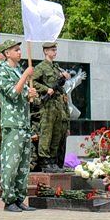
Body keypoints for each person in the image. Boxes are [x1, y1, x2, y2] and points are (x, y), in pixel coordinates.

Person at [0, 39, 36, 212]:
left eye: (19, 49)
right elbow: (12, 93)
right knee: (11, 162)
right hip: (12, 123)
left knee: (24, 164)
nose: (19, 52)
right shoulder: (1, 72)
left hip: (24, 123)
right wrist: (26, 76)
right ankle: (9, 199)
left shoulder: (18, 70)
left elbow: (24, 93)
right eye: (16, 50)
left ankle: (19, 198)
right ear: (7, 53)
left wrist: (30, 91)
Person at [32, 42, 70, 172]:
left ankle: (53, 161)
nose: (55, 52)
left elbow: (59, 84)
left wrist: (64, 77)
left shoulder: (56, 67)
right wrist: (45, 89)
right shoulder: (41, 67)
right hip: (47, 105)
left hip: (58, 105)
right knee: (47, 133)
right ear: (46, 51)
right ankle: (44, 160)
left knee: (56, 134)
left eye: (55, 50)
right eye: (52, 50)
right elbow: (31, 81)